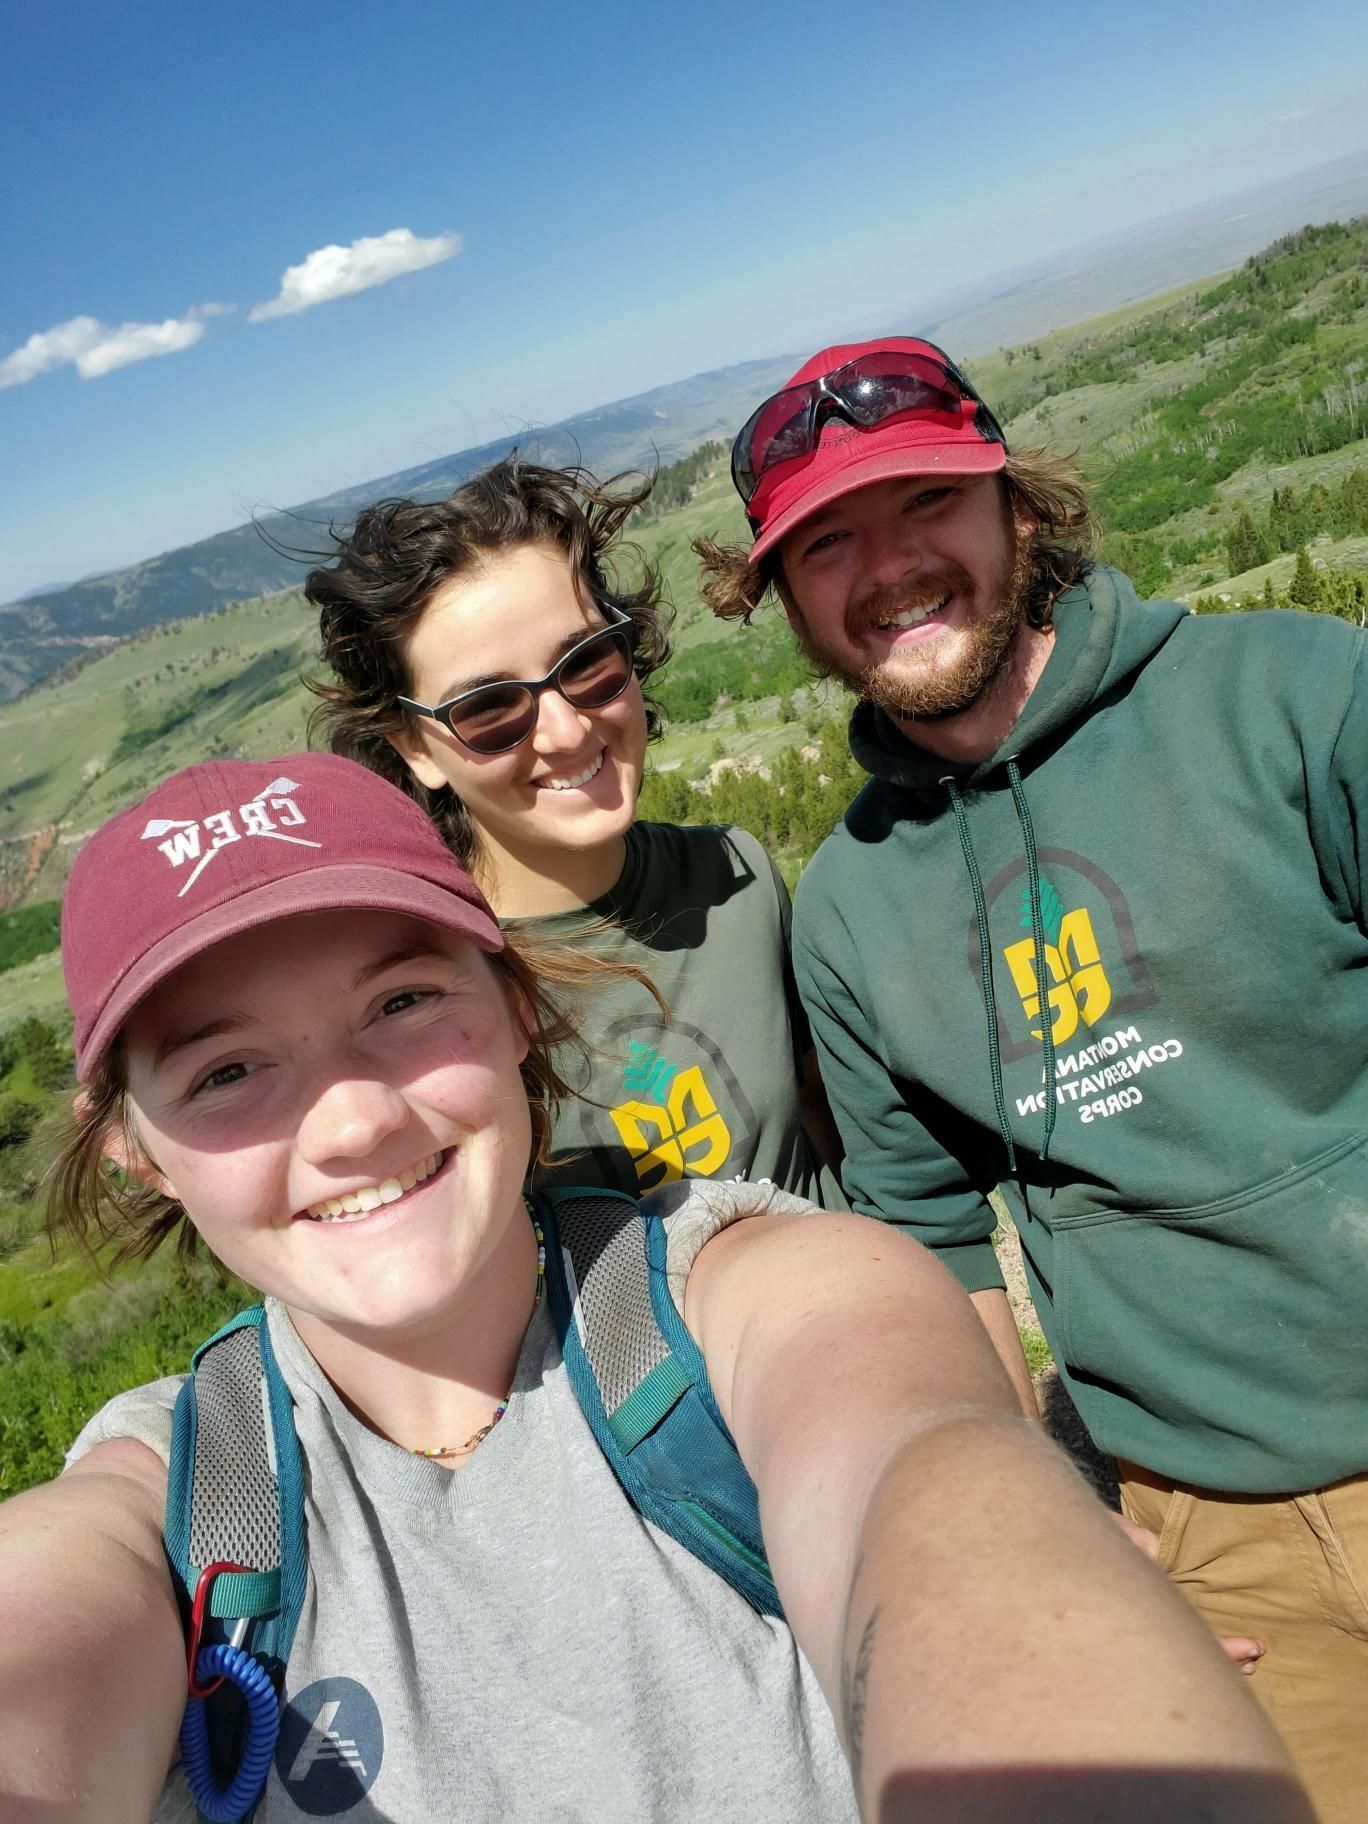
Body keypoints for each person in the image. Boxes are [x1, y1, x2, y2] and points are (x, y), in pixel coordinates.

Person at [0, 752, 1307, 1824]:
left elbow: (920, 1466)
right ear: (136, 1147)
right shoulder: (167, 1515)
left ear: (515, 1007)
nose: (348, 1121)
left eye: (401, 999)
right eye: (224, 1072)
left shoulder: (758, 1303)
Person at [696, 333, 1368, 1823]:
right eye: (827, 545)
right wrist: (1046, 1523)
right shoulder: (856, 912)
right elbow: (939, 1237)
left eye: (925, 503)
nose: (888, 568)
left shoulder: (1294, 695)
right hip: (1213, 1530)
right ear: (787, 600)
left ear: (1018, 507)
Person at [305, 460, 841, 1206]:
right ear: (415, 749)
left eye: (586, 662)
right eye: (489, 709)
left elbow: (829, 1130)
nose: (565, 730)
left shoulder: (736, 878)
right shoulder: (424, 995)